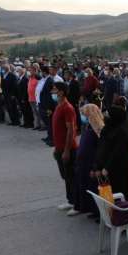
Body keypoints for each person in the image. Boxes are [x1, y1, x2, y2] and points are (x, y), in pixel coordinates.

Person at [95, 105, 128, 204]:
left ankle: (122, 216)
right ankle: (112, 215)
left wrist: (107, 167)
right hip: (107, 169)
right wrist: (98, 167)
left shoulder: (123, 132)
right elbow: (102, 148)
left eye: (108, 115)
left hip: (120, 169)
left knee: (121, 194)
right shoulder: (108, 128)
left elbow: (118, 152)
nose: (106, 117)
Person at [50, 82, 78, 213]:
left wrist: (66, 150)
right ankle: (70, 200)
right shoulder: (59, 105)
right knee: (66, 176)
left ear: (61, 92)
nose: (53, 91)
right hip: (59, 147)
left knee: (71, 177)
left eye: (55, 89)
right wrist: (57, 148)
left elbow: (71, 130)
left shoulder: (68, 107)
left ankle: (76, 204)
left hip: (69, 149)